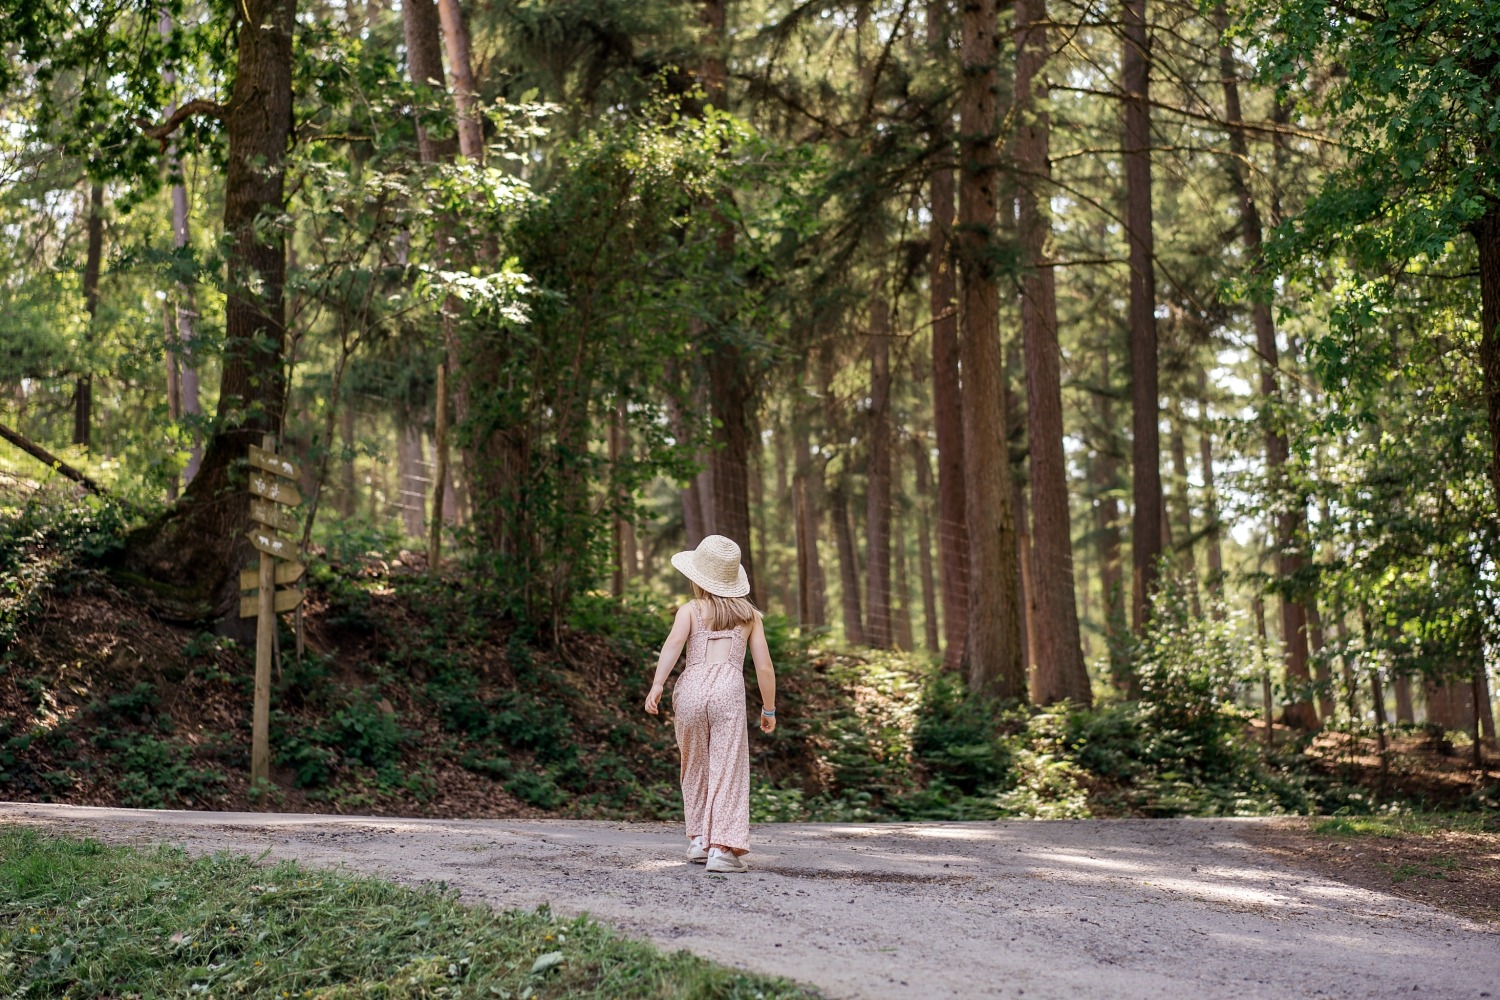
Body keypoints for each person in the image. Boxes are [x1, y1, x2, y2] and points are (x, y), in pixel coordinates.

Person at [644, 534, 777, 874]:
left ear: (698, 578)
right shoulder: (750, 616)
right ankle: (721, 849)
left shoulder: (690, 610)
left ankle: (700, 840)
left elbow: (673, 645)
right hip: (727, 693)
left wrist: (657, 685)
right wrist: (769, 707)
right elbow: (763, 666)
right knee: (727, 768)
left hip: (689, 690)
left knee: (695, 766)